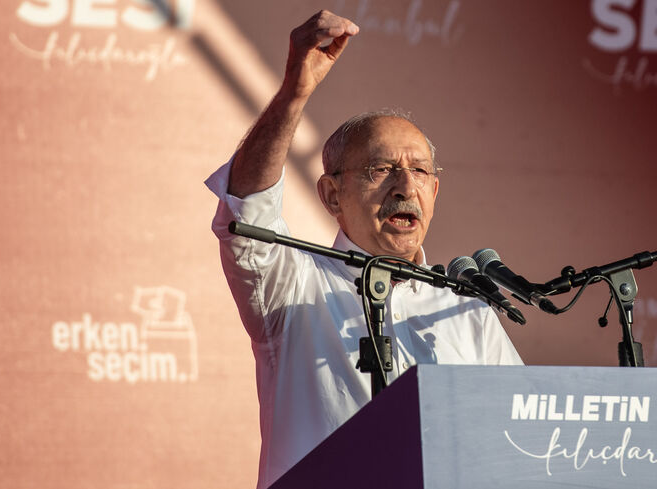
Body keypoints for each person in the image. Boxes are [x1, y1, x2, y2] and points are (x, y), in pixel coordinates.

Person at [205, 10, 523, 488]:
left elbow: (519, 435)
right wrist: (295, 92)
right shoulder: (293, 284)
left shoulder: (466, 309)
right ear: (332, 195)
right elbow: (247, 207)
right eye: (380, 169)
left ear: (434, 194)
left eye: (420, 171)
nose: (405, 186)